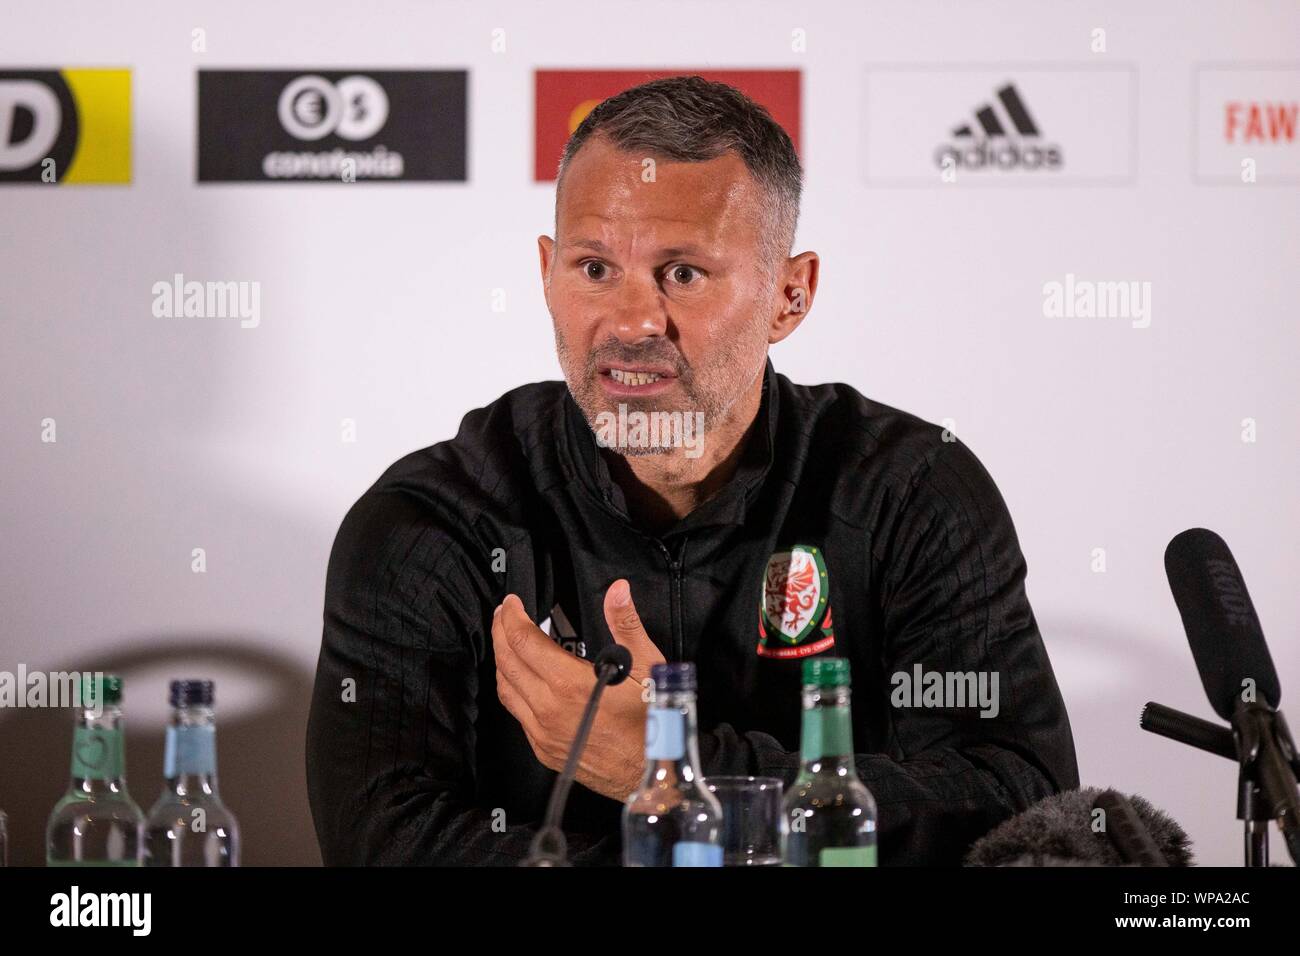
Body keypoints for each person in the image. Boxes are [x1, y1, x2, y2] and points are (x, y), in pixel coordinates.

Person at [305, 75, 1079, 866]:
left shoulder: (911, 492)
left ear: (790, 294)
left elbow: (1021, 802)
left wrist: (675, 769)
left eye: (683, 273)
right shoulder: (432, 521)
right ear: (547, 273)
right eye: (595, 268)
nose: (634, 321)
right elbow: (382, 842)